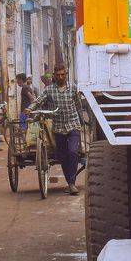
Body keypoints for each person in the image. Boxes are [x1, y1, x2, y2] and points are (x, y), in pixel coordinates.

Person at [34, 65, 86, 195]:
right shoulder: (49, 90)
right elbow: (38, 101)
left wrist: (82, 121)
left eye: (63, 74)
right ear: (54, 76)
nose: (61, 77)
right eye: (58, 75)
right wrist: (30, 108)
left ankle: (72, 183)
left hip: (73, 124)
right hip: (58, 127)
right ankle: (70, 182)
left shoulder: (73, 88)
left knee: (73, 152)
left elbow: (78, 105)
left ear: (66, 75)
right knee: (62, 156)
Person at [16, 73, 35, 138]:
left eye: (17, 79)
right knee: (25, 128)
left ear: (21, 80)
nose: (17, 81)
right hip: (27, 110)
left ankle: (25, 142)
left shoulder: (25, 88)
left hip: (25, 111)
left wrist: (30, 108)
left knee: (23, 128)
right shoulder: (27, 87)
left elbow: (32, 98)